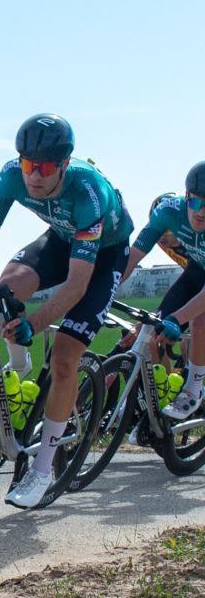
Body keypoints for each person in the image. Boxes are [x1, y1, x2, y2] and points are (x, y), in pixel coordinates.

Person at [0, 114, 133, 509]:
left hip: (103, 255)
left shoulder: (89, 193)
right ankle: (18, 369)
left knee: (66, 358)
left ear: (64, 164)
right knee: (7, 286)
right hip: (61, 237)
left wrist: (34, 324)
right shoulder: (11, 176)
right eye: (27, 164)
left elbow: (77, 284)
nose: (34, 176)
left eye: (46, 166)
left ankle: (41, 471)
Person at [119, 162, 205, 420]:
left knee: (200, 320)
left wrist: (178, 318)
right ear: (186, 197)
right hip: (197, 272)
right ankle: (154, 397)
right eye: (196, 204)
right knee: (151, 324)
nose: (201, 213)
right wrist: (104, 290)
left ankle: (193, 388)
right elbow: (133, 256)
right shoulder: (169, 211)